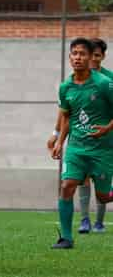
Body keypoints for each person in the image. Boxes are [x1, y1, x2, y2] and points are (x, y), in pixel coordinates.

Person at [51, 38, 113, 249]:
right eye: (74, 53)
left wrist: (107, 128)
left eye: (82, 54)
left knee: (103, 197)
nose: (78, 57)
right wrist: (60, 141)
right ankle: (66, 238)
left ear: (90, 58)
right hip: (76, 147)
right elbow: (67, 117)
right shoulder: (65, 87)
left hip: (102, 149)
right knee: (67, 186)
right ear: (70, 57)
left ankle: (103, 199)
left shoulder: (104, 83)